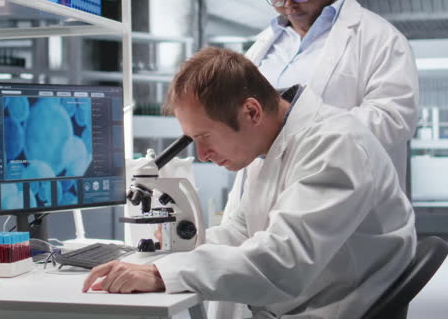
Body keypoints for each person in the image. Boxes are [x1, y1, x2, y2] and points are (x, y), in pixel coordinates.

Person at [82, 48, 416, 319]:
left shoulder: (335, 145)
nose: (202, 154)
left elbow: (283, 262)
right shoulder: (270, 145)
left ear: (251, 112)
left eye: (204, 137)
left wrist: (160, 275)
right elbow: (242, 232)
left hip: (331, 308)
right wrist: (170, 253)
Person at [225, 0, 418, 236]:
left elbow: (394, 118)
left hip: (344, 202)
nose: (289, 4)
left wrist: (298, 135)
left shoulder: (379, 38)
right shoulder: (263, 46)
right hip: (265, 198)